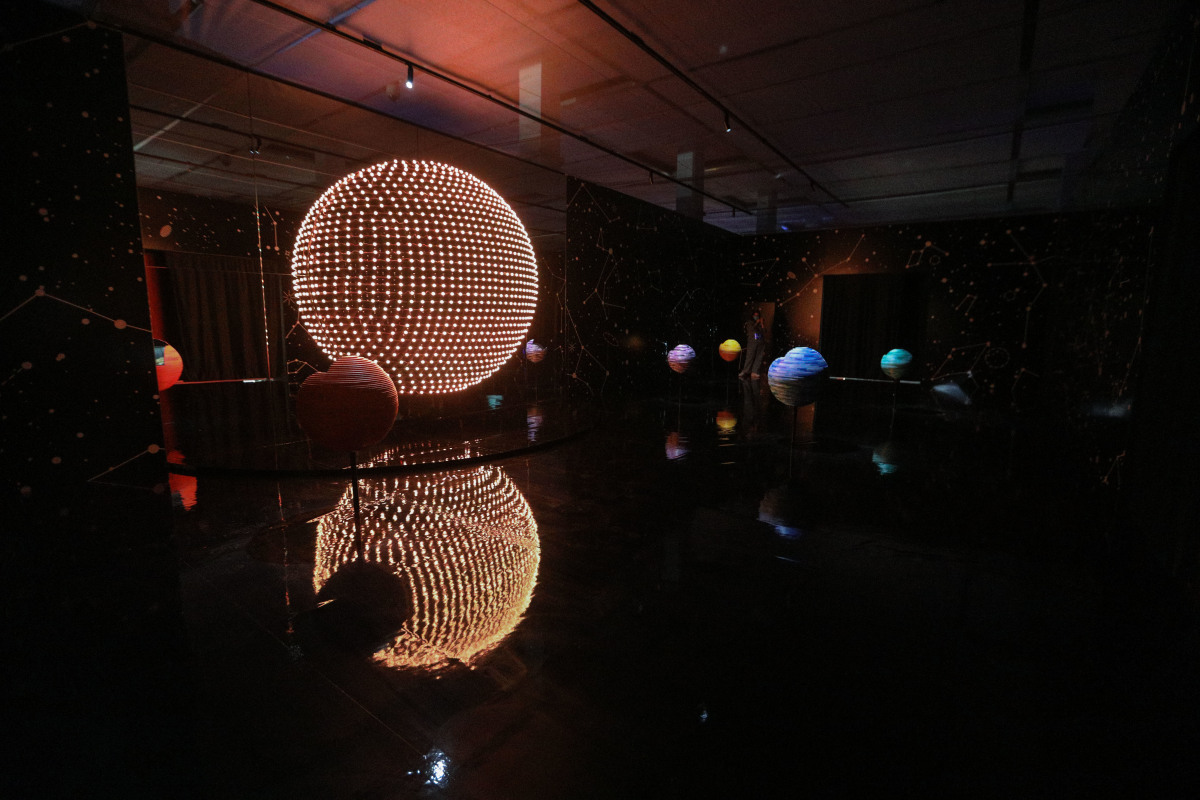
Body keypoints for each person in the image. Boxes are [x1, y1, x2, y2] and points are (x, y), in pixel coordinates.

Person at [740, 310, 766, 379]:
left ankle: (754, 372)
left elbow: (764, 331)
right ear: (752, 316)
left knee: (759, 357)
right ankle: (745, 371)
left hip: (760, 342)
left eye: (757, 315)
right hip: (752, 342)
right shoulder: (749, 323)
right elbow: (752, 329)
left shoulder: (760, 323)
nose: (756, 316)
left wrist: (762, 324)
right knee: (750, 356)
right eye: (755, 315)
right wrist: (757, 323)